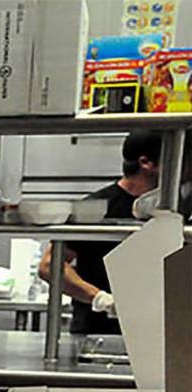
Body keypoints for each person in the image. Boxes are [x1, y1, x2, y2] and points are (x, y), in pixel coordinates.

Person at [38, 129, 162, 335]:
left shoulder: (177, 207)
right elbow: (50, 265)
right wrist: (101, 300)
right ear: (146, 163)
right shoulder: (95, 207)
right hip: (99, 334)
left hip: (158, 333)